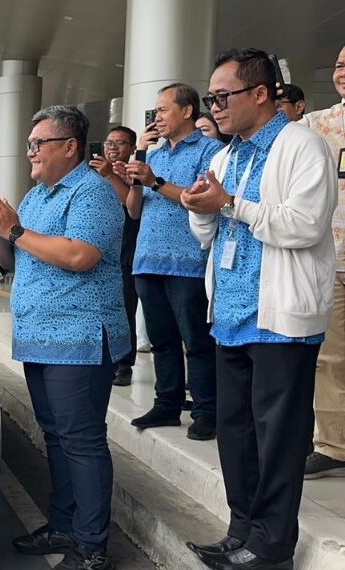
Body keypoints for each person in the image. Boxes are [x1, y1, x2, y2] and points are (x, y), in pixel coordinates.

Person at [183, 48, 337, 570]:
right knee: (237, 432)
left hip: (279, 319)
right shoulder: (227, 155)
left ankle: (271, 547)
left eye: (223, 96)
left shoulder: (302, 145)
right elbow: (208, 234)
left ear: (261, 94)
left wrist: (229, 204)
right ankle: (241, 529)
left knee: (278, 438)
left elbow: (305, 224)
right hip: (230, 314)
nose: (215, 107)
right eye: (211, 97)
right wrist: (200, 208)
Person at [0, 105, 128, 570]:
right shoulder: (37, 195)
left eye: (37, 144)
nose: (30, 153)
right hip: (40, 336)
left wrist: (15, 229)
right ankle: (63, 524)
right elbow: (11, 260)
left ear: (70, 146)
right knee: (57, 439)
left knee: (81, 440)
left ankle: (91, 546)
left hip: (81, 338)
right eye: (29, 145)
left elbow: (80, 255)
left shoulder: (93, 194)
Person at [118, 83, 224, 441]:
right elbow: (134, 211)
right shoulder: (155, 154)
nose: (157, 117)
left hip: (188, 261)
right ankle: (166, 403)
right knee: (162, 340)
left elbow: (201, 199)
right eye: (156, 112)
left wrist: (156, 181)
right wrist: (138, 178)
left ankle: (207, 409)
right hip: (148, 260)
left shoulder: (211, 150)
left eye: (163, 110)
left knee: (196, 340)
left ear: (188, 111)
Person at [300, 44, 345, 480]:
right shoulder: (316, 125)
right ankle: (332, 444)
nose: (342, 72)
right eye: (338, 64)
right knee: (330, 357)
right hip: (332, 257)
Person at [90, 126, 140, 386]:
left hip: (129, 250)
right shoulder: (94, 173)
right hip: (99, 250)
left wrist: (111, 175)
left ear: (132, 148)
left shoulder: (136, 172)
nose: (113, 147)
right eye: (109, 142)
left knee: (125, 307)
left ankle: (124, 364)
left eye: (120, 143)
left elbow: (132, 208)